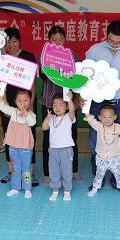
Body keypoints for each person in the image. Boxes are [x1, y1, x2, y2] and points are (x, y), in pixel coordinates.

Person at [83, 20, 120, 190]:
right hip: (98, 103)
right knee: (95, 140)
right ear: (106, 35)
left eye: (119, 41)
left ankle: (118, 180)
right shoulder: (95, 50)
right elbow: (86, 75)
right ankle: (98, 179)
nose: (115, 44)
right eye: (111, 41)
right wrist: (83, 96)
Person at [40, 26, 82, 186]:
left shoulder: (72, 55)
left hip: (68, 103)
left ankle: (74, 170)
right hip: (50, 102)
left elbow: (77, 79)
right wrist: (53, 66)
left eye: (60, 39)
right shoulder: (45, 55)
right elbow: (43, 76)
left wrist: (76, 100)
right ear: (49, 40)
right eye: (54, 40)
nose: (57, 42)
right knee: (48, 139)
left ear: (64, 40)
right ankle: (47, 173)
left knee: (71, 137)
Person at [0, 27, 39, 187]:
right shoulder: (3, 58)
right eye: (8, 42)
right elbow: (1, 82)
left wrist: (31, 104)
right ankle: (12, 172)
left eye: (14, 41)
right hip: (9, 105)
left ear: (19, 41)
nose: (11, 45)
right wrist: (4, 104)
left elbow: (33, 84)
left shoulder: (28, 56)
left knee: (29, 138)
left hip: (26, 105)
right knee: (10, 138)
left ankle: (30, 174)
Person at [84, 105, 120, 197]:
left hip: (115, 158)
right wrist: (85, 108)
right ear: (99, 117)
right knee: (99, 175)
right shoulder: (98, 126)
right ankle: (95, 188)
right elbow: (90, 119)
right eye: (104, 117)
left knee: (119, 175)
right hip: (101, 158)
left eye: (110, 117)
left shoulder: (117, 127)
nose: (107, 120)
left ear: (115, 117)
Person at [0, 89, 37, 199]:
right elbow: (1, 105)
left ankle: (27, 188)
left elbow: (32, 123)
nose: (22, 103)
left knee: (26, 169)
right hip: (13, 147)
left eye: (26, 100)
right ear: (15, 101)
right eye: (19, 100)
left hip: (25, 148)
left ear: (30, 101)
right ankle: (15, 187)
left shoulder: (31, 114)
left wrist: (26, 114)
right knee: (15, 168)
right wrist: (0, 92)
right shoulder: (13, 112)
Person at [42, 91, 75, 202]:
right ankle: (55, 190)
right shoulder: (52, 118)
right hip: (53, 149)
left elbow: (72, 111)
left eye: (60, 105)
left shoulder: (68, 117)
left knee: (67, 171)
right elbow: (44, 128)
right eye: (55, 105)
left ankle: (67, 191)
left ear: (66, 107)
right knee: (53, 170)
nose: (57, 107)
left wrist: (70, 100)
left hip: (66, 149)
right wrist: (47, 118)